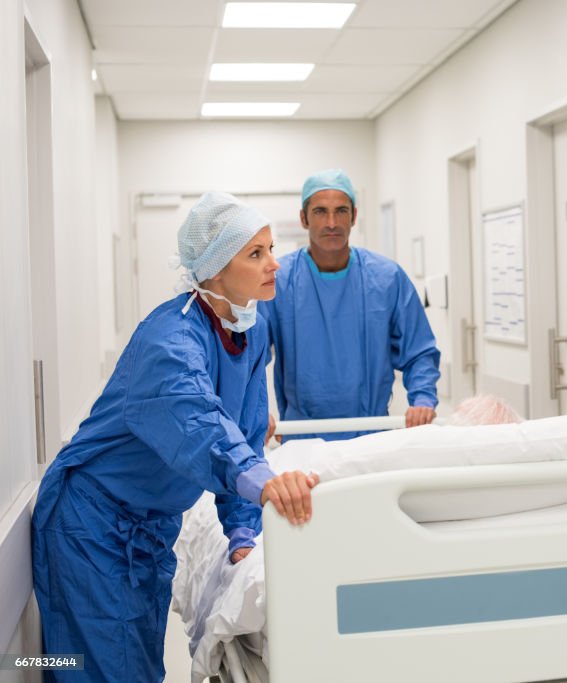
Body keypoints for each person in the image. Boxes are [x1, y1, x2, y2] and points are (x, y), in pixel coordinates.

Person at [31, 192, 320, 682]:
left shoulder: (250, 330)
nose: (275, 263)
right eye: (256, 254)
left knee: (138, 664)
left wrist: (243, 530)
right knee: (100, 669)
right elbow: (198, 424)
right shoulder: (171, 339)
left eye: (271, 248)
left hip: (149, 527)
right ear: (214, 270)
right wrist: (263, 482)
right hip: (93, 524)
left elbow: (244, 432)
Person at [260, 169, 441, 441]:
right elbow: (249, 356)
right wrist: (256, 410)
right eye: (320, 211)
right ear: (304, 219)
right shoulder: (279, 281)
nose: (331, 222)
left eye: (341, 211)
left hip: (371, 434)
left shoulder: (387, 278)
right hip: (303, 435)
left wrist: (423, 400)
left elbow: (419, 352)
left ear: (354, 216)